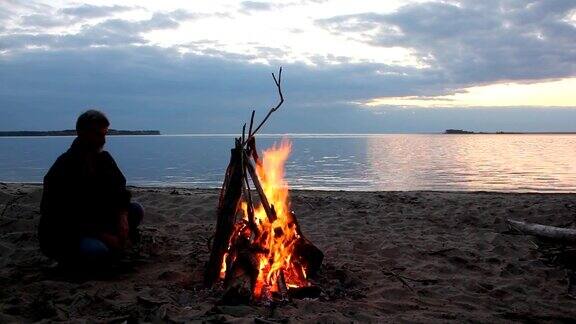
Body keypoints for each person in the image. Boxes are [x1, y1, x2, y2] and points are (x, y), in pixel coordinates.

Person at [39, 109, 143, 267]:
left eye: (105, 134)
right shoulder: (64, 167)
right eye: (98, 135)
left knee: (136, 209)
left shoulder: (105, 160)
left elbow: (120, 190)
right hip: (68, 233)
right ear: (82, 133)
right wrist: (104, 236)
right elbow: (63, 217)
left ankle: (114, 244)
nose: (103, 140)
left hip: (98, 219)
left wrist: (122, 217)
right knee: (97, 251)